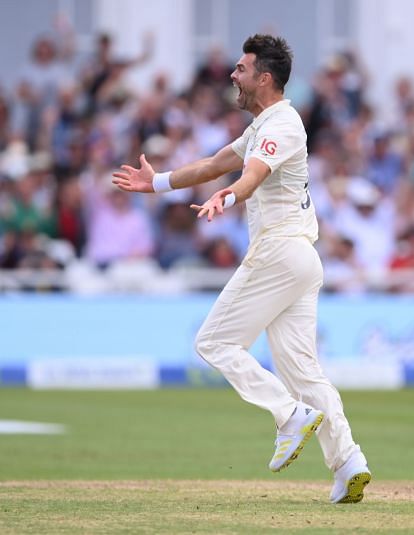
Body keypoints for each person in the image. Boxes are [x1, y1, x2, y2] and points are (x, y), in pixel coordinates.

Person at [112, 34, 370, 504]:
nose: (233, 76)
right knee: (305, 373)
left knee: (213, 342)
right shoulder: (263, 125)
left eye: (241, 69)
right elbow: (214, 163)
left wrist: (228, 196)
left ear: (263, 78)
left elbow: (250, 176)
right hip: (300, 260)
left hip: (279, 252)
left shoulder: (284, 124)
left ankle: (288, 415)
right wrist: (158, 184)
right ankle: (348, 461)